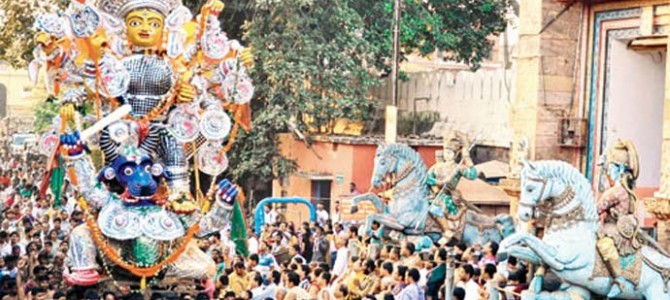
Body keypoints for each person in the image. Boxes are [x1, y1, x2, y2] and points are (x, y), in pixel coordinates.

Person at [595, 140, 642, 298]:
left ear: (619, 169)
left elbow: (598, 208)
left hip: (615, 231)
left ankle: (618, 279)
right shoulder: (626, 189)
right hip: (622, 228)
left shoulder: (616, 191)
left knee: (602, 242)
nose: (609, 171)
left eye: (611, 168)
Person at [425, 131, 478, 243]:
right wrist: (440, 182)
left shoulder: (458, 168)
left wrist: (467, 158)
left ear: (456, 154)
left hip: (448, 197)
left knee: (434, 208)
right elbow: (428, 179)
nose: (447, 154)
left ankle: (447, 230)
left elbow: (473, 175)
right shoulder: (437, 167)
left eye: (450, 152)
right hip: (435, 194)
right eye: (446, 152)